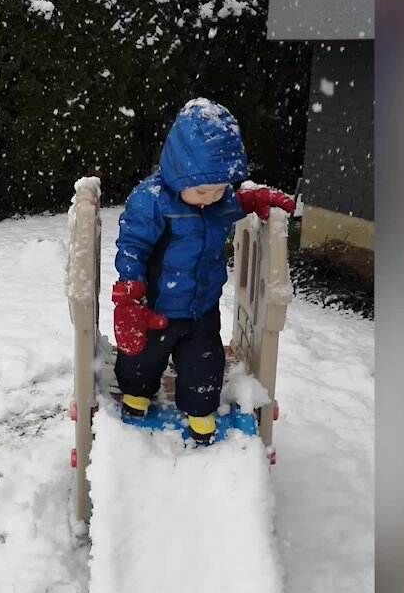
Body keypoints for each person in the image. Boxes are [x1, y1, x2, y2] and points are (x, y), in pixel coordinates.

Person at [111, 98, 295, 443]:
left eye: (219, 188)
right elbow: (132, 245)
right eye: (201, 190)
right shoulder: (151, 200)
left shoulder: (219, 200)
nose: (211, 198)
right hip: (158, 306)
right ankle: (137, 394)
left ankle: (200, 411)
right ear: (178, 171)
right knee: (143, 357)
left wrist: (251, 200)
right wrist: (131, 292)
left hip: (202, 307)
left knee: (204, 365)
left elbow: (232, 204)